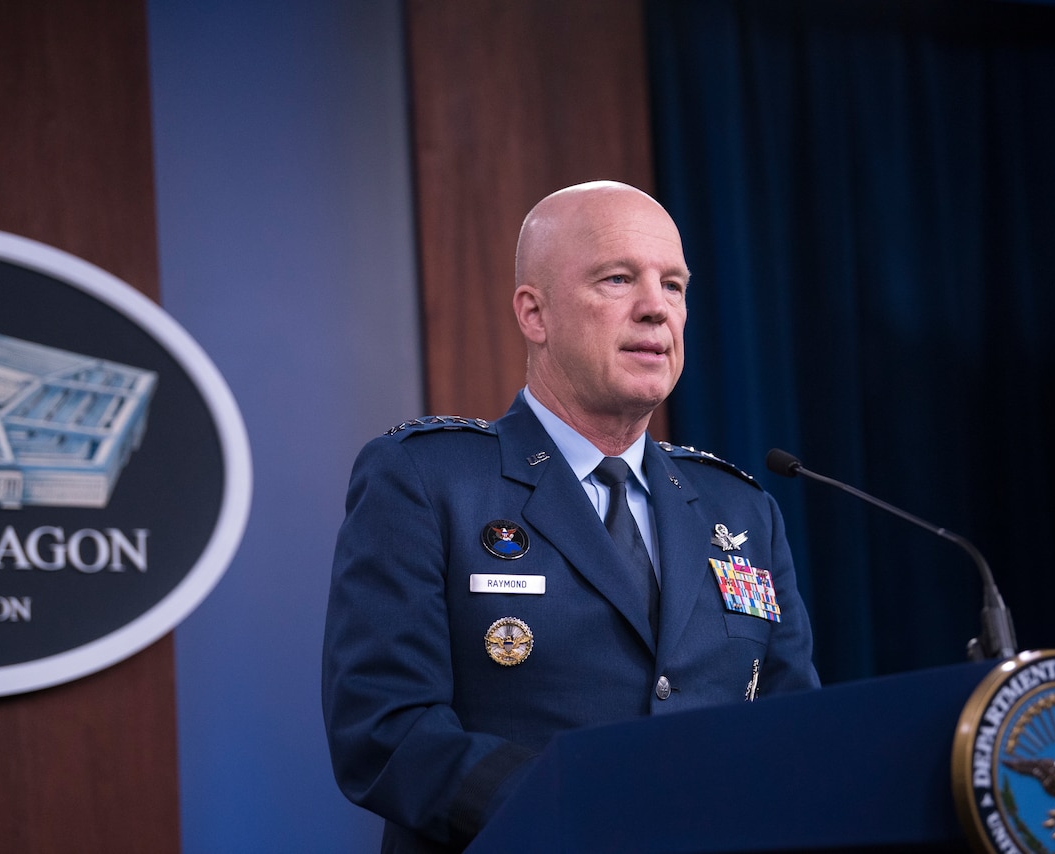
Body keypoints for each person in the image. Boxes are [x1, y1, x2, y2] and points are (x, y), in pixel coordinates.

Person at [322, 181, 819, 853]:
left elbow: (796, 731)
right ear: (535, 313)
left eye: (674, 286)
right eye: (618, 279)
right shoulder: (426, 479)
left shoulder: (741, 509)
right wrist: (592, 809)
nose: (655, 310)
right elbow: (384, 730)